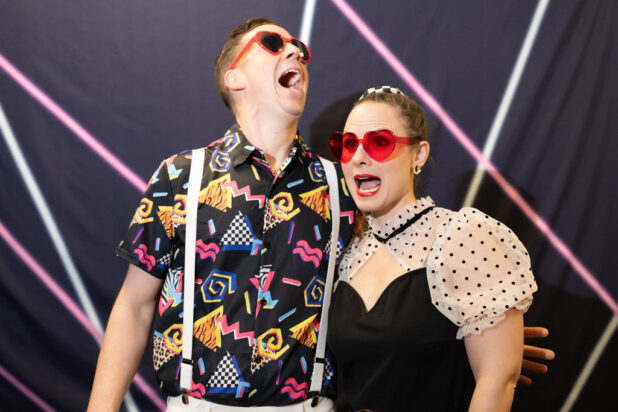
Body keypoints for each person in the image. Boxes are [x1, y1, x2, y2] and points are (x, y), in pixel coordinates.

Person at [88, 17, 552, 412]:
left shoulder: (343, 188)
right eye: (273, 44)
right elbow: (134, 306)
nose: (295, 51)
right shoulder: (180, 178)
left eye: (299, 47)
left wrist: (477, 333)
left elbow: (401, 280)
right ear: (234, 78)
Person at [326, 86, 539, 412]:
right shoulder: (345, 251)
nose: (358, 157)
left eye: (379, 142)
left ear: (419, 155)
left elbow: (497, 380)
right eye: (349, 144)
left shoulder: (463, 235)